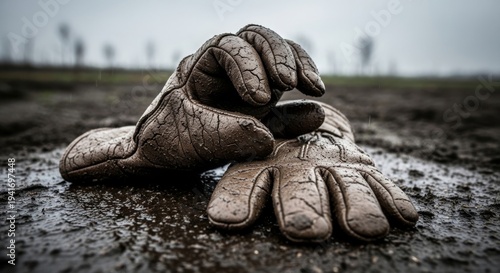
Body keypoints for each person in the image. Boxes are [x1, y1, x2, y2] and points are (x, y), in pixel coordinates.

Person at [60, 24, 417, 242]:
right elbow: (82, 151)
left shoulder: (297, 118)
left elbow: (318, 115)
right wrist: (143, 144)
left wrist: (311, 136)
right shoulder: (163, 121)